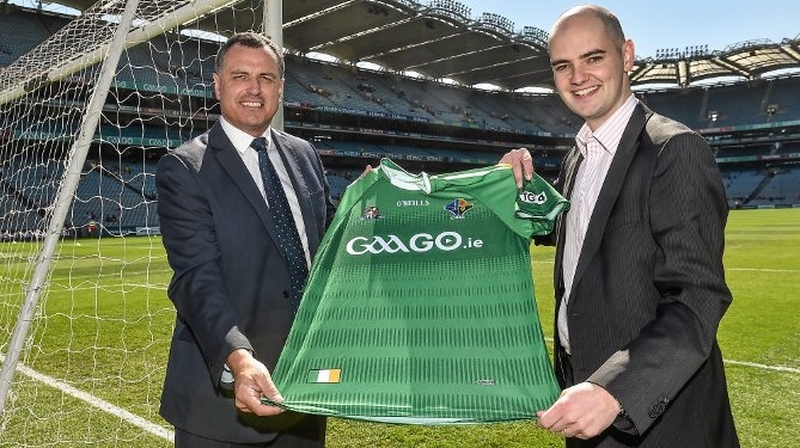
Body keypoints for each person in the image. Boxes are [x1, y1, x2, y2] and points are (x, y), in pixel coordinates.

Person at [500, 5, 740, 447]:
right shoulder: (578, 156)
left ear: (626, 55)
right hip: (584, 396)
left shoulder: (675, 150)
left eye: (594, 58)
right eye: (563, 65)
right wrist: (510, 185)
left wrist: (615, 389)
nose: (578, 77)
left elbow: (697, 297)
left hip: (656, 414)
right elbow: (565, 233)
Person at [156, 31, 336, 447]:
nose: (254, 89)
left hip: (302, 391)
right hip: (220, 405)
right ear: (218, 84)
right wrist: (239, 358)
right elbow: (196, 279)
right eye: (240, 76)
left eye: (266, 78)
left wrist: (373, 198)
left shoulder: (305, 154)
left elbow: (329, 245)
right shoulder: (184, 168)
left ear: (280, 88)